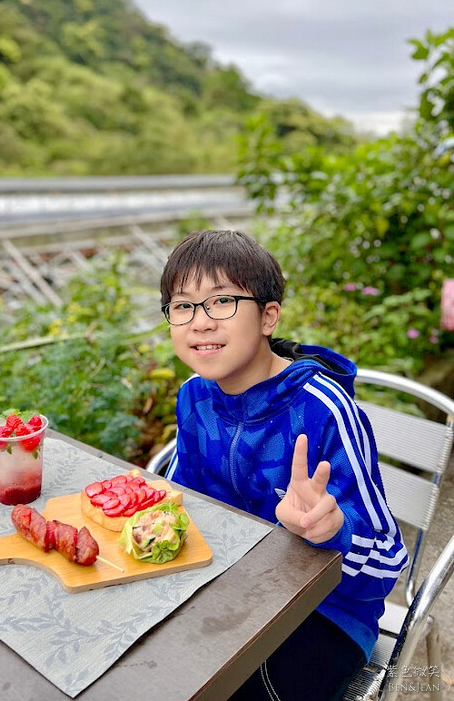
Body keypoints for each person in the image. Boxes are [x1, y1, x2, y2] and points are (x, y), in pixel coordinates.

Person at [159, 229, 408, 701]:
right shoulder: (194, 397)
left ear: (268, 316)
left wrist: (330, 527)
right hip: (237, 590)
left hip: (329, 612)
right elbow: (182, 498)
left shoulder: (323, 409)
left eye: (221, 302)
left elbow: (389, 561)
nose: (200, 322)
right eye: (183, 306)